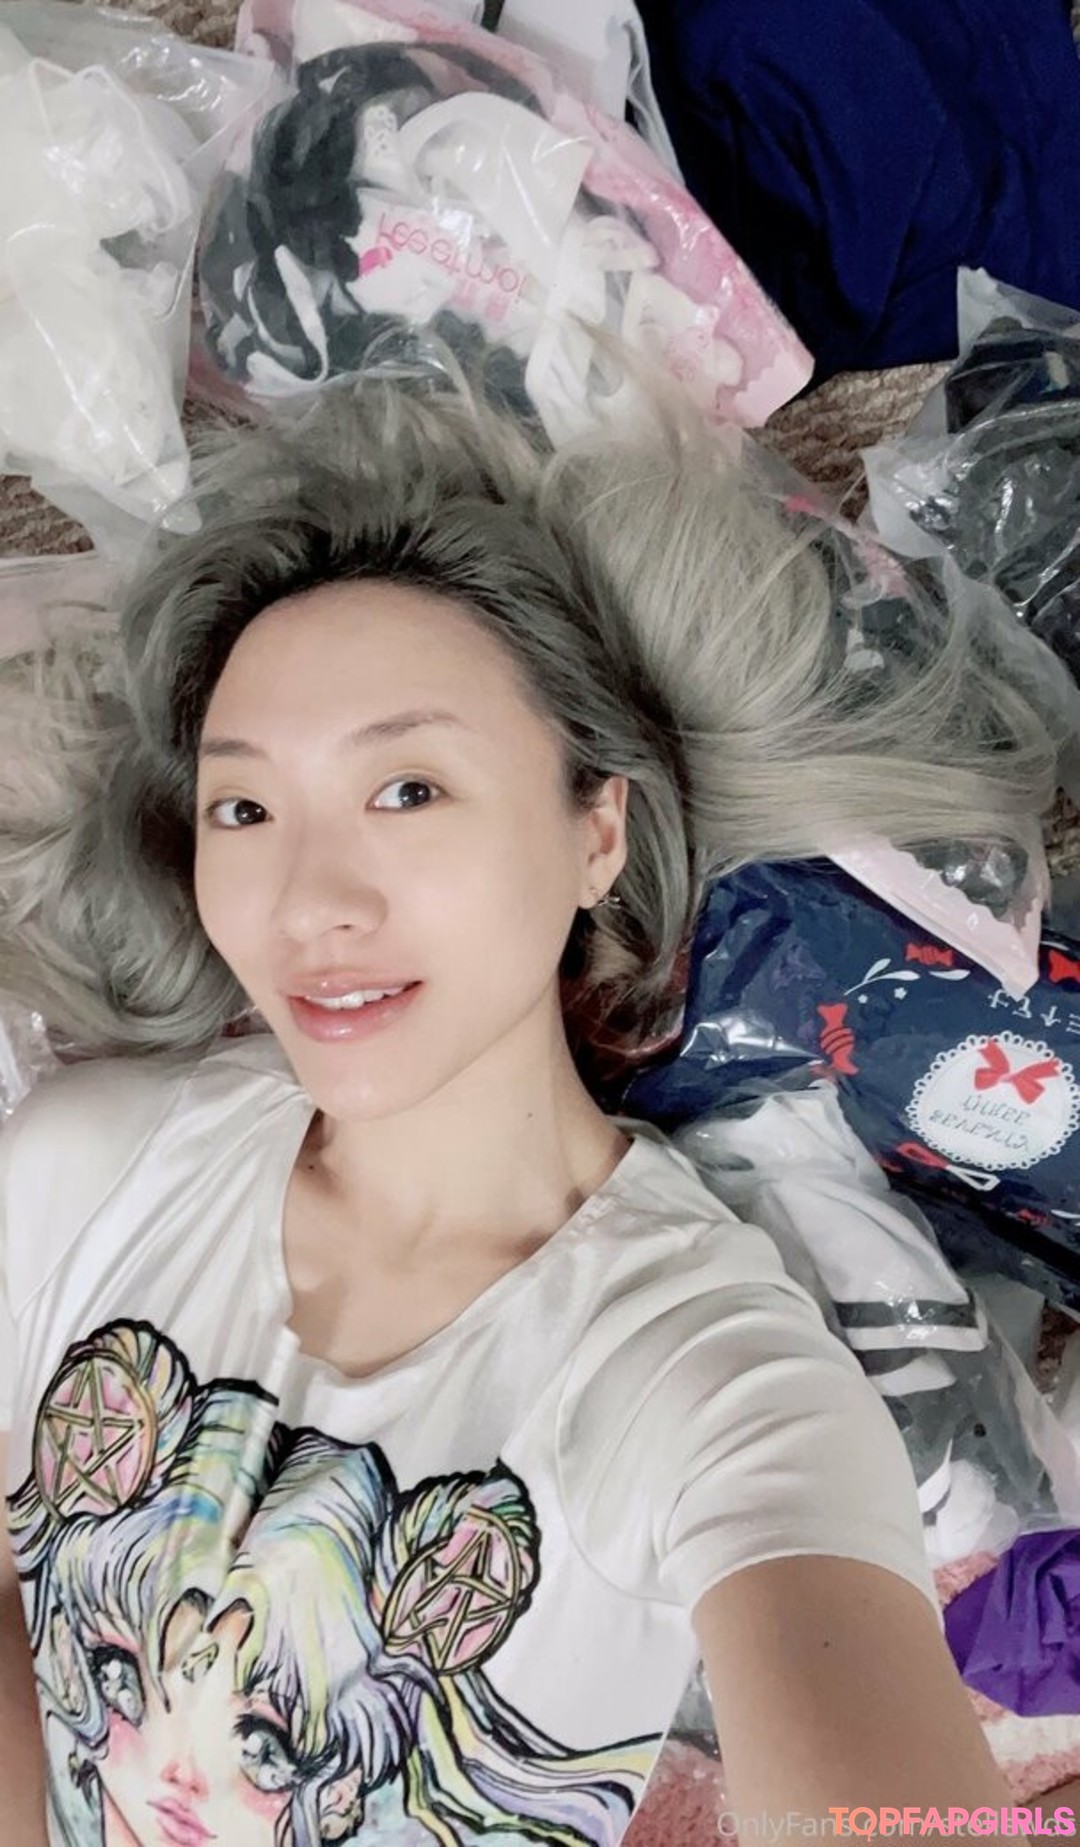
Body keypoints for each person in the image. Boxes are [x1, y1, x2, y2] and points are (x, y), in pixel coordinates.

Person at [0, 367, 1057, 1846]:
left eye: (409, 790)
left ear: (593, 832)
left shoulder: (703, 1374)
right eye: (246, 808)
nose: (309, 902)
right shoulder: (81, 1172)